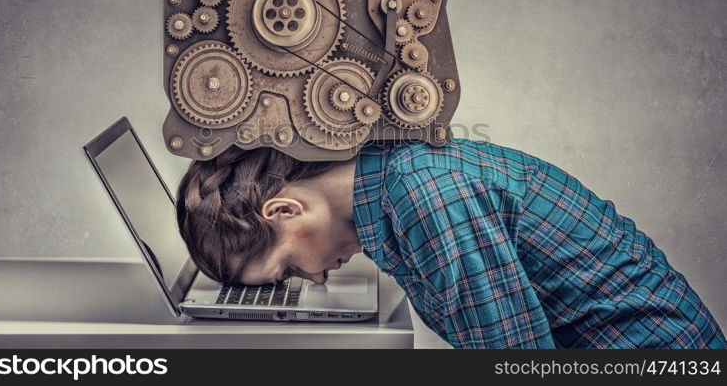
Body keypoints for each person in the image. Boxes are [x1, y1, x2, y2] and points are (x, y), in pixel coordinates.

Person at [174, 138, 726, 349]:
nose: (315, 280)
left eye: (287, 271)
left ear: (286, 211)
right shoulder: (395, 184)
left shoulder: (424, 198)